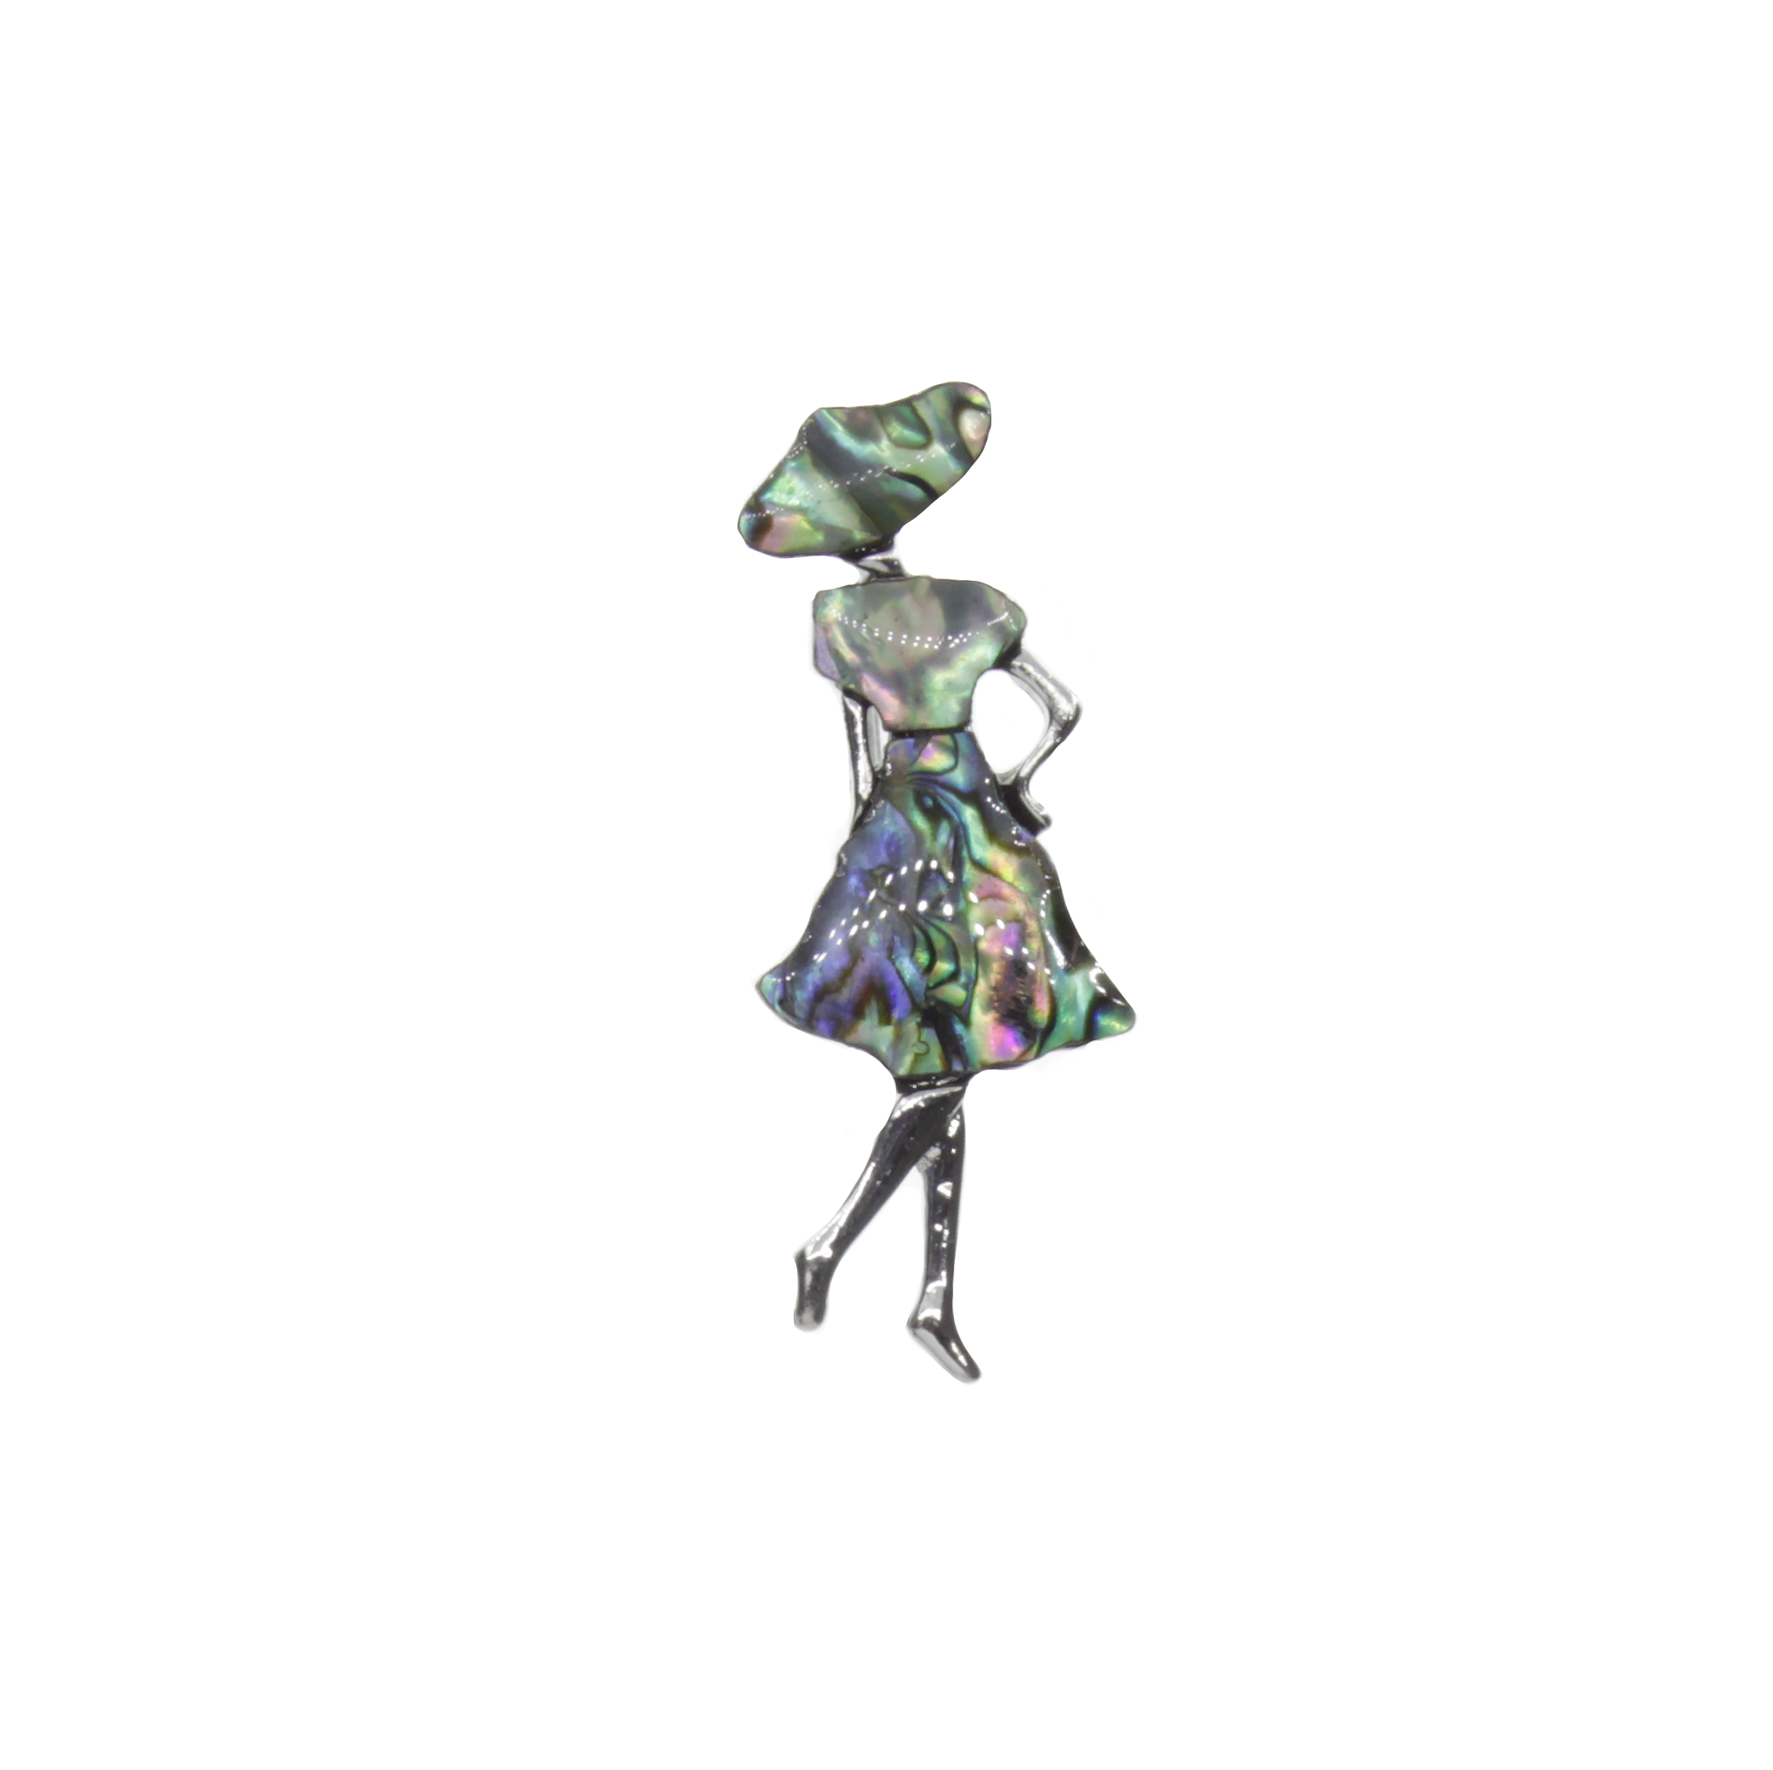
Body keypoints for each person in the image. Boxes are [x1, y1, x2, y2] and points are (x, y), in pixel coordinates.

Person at [741, 381, 1135, 1381]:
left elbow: (856, 757)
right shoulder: (975, 607)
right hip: (975, 823)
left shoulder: (838, 617)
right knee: (945, 1063)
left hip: (894, 831)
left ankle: (912, 1289)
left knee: (937, 1064)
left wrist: (858, 849)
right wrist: (1020, 787)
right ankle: (873, 1268)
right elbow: (1065, 711)